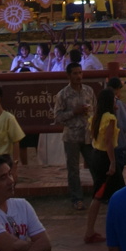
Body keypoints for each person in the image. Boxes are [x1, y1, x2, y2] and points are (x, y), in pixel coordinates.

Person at [82, 87, 125, 245]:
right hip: (106, 158)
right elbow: (108, 142)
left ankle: (91, 230)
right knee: (118, 193)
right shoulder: (110, 118)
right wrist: (112, 162)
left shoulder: (96, 117)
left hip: (96, 155)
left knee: (100, 194)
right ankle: (120, 228)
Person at [53, 63, 96, 212]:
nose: (79, 76)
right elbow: (57, 117)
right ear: (68, 76)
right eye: (75, 73)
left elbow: (95, 110)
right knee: (73, 170)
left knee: (95, 165)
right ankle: (77, 199)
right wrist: (74, 112)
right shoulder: (63, 95)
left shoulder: (89, 91)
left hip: (88, 135)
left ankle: (99, 195)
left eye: (80, 73)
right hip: (71, 136)